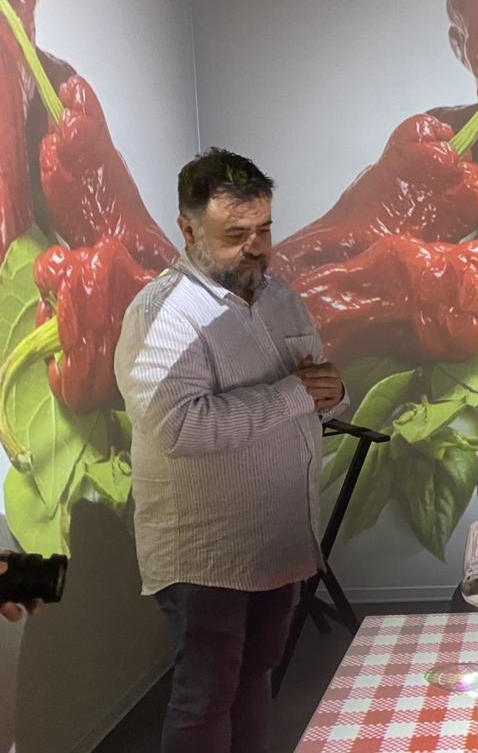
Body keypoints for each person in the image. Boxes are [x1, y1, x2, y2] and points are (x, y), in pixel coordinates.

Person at [114, 148, 347, 753]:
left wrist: (333, 394)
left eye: (265, 229)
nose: (257, 246)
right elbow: (177, 428)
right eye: (236, 234)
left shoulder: (280, 299)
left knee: (256, 680)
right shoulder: (162, 314)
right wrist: (295, 396)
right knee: (206, 696)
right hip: (206, 555)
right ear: (187, 230)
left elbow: (318, 391)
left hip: (277, 544)